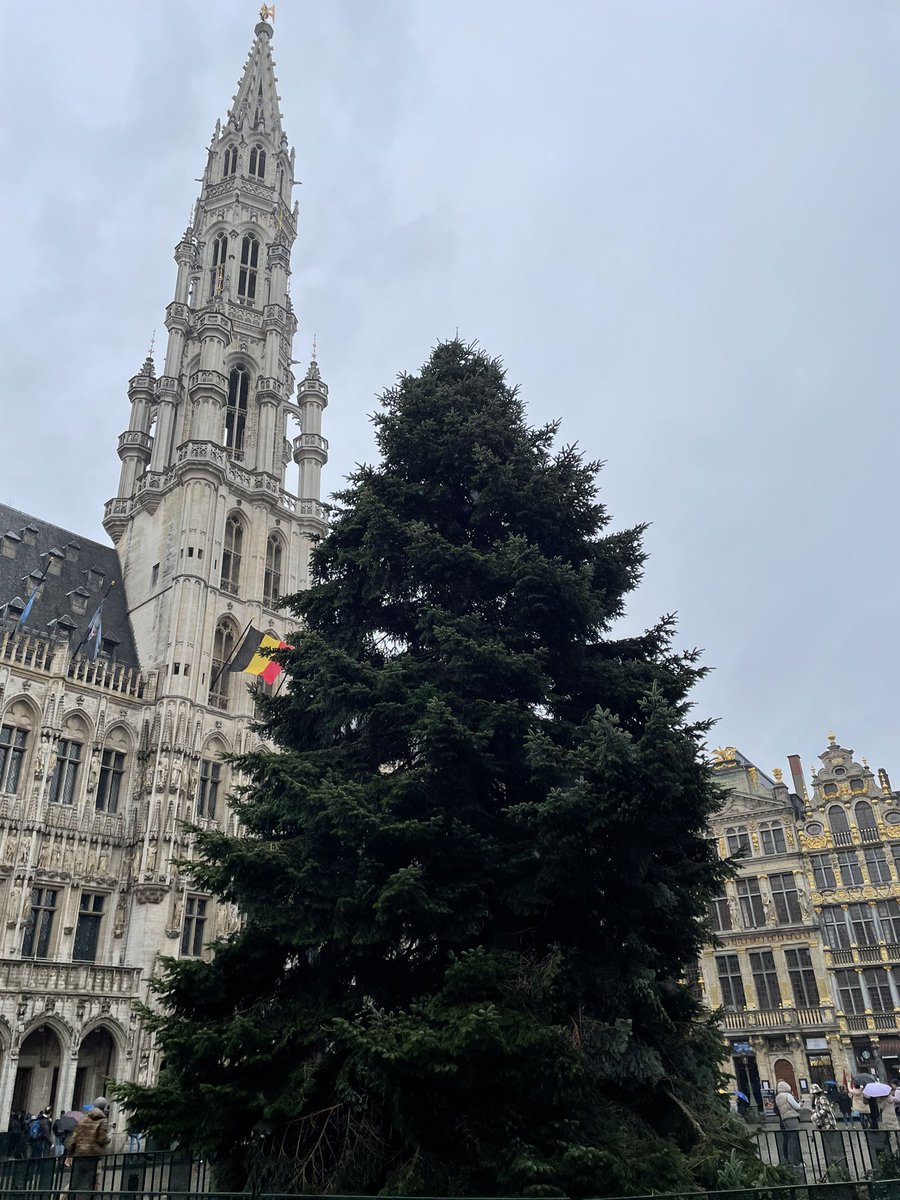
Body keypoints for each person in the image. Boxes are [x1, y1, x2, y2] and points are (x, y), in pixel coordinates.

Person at [68, 1096, 110, 1199]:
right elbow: (101, 1139)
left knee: (75, 1182)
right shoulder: (102, 1120)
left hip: (79, 1155)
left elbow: (74, 1138)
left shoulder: (83, 1118)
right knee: (92, 1183)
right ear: (104, 1108)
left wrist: (69, 1154)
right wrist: (109, 1138)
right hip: (93, 1156)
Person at [775, 1080, 804, 1169]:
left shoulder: (777, 1097)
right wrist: (801, 1104)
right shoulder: (788, 1095)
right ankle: (796, 1161)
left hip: (784, 1119)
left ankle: (790, 1161)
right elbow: (797, 1107)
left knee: (790, 1140)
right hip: (792, 1118)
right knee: (794, 1140)